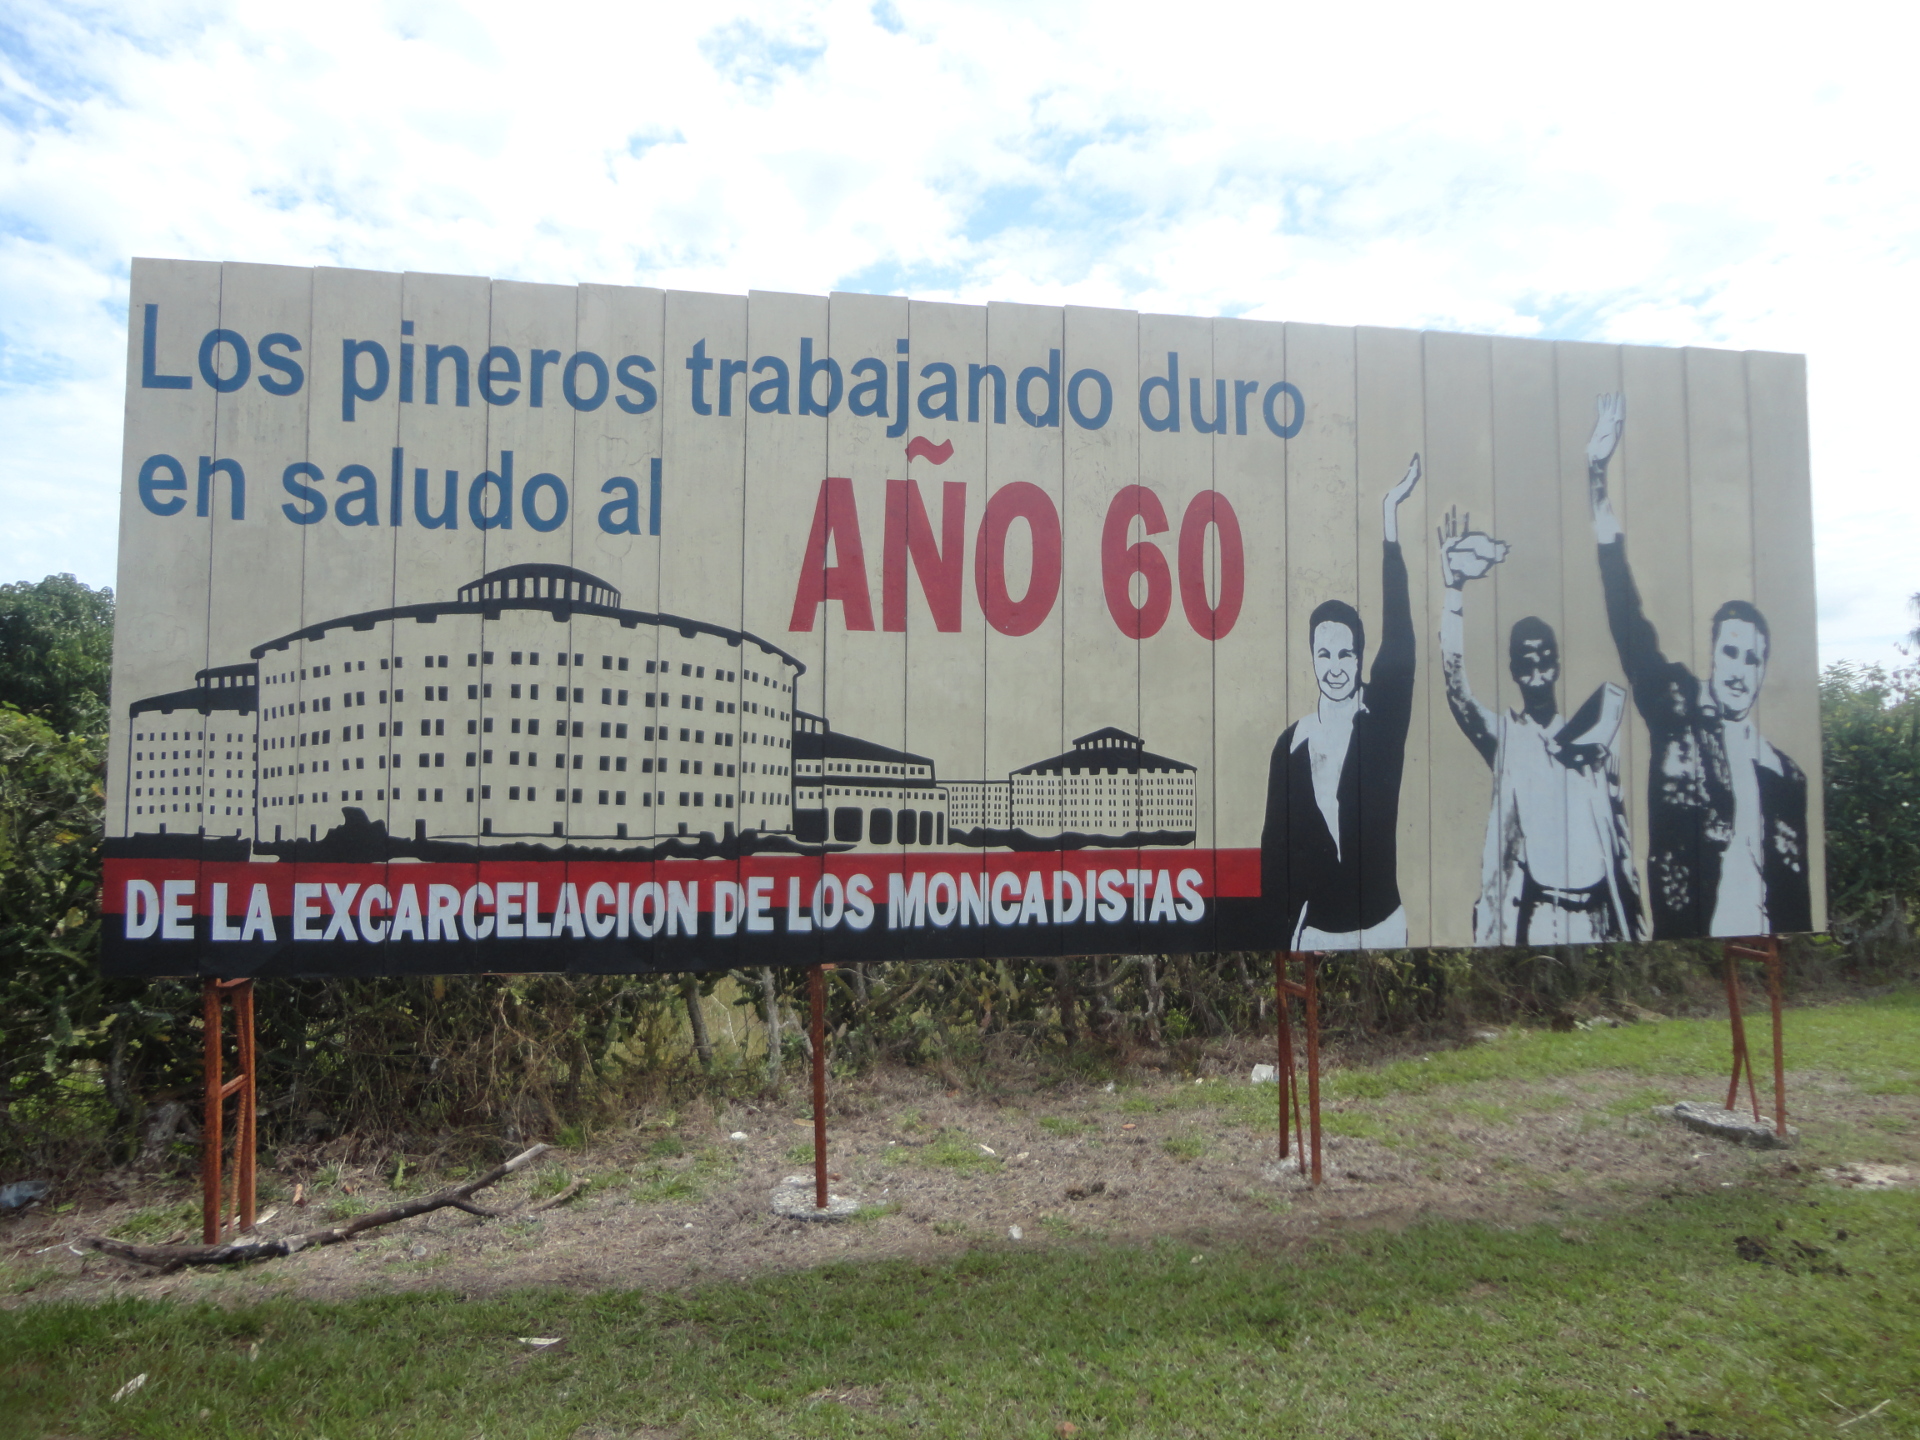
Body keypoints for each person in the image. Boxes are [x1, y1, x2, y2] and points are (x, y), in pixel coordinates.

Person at [1586, 393, 1811, 937]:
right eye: (1730, 651)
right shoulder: (1676, 705)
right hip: (1689, 920)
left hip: (1760, 922)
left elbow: (1795, 883)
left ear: (1763, 669)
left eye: (1752, 658)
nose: (1739, 668)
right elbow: (1627, 616)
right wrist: (1596, 474)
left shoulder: (1785, 774)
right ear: (1713, 651)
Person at [1436, 508, 1645, 944]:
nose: (1537, 669)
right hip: (1538, 913)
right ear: (1513, 669)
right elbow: (1458, 691)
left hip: (1602, 914)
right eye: (1526, 661)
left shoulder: (1595, 736)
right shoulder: (1506, 738)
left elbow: (1619, 829)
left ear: (1557, 663)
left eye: (1545, 657)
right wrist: (1454, 589)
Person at [1260, 456, 1420, 949]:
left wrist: (1389, 524)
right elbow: (1275, 852)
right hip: (1318, 933)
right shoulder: (1292, 744)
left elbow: (1401, 644)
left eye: (1345, 653)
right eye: (1324, 653)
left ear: (1359, 657)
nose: (1334, 666)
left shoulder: (1382, 724)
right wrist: (1280, 933)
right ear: (1311, 656)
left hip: (1384, 924)